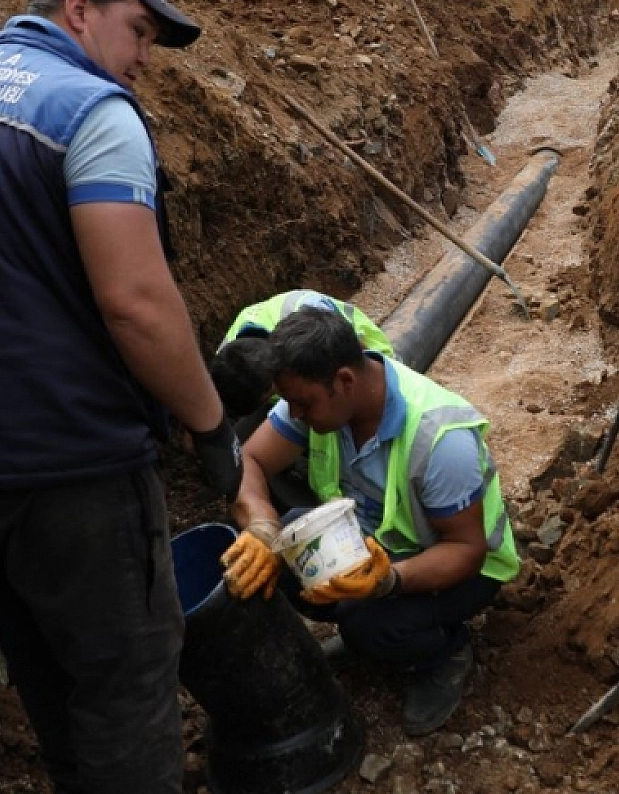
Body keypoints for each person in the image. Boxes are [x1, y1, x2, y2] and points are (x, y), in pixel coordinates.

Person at [0, 0, 244, 794]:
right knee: (127, 685)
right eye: (140, 32)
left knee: (48, 675)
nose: (143, 61)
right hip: (67, 466)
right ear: (78, 10)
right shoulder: (92, 113)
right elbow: (137, 304)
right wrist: (209, 422)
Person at [218, 307, 519, 737]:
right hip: (378, 541)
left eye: (302, 404)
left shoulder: (441, 437)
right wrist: (263, 527)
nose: (295, 415)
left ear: (344, 381)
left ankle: (444, 651)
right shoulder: (321, 397)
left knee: (367, 622)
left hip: (460, 566)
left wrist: (387, 582)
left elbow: (467, 551)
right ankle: (370, 627)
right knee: (288, 544)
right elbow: (249, 458)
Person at [211, 290, 395, 422]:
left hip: (370, 352)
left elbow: (354, 357)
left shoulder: (310, 317)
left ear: (275, 381)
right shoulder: (228, 359)